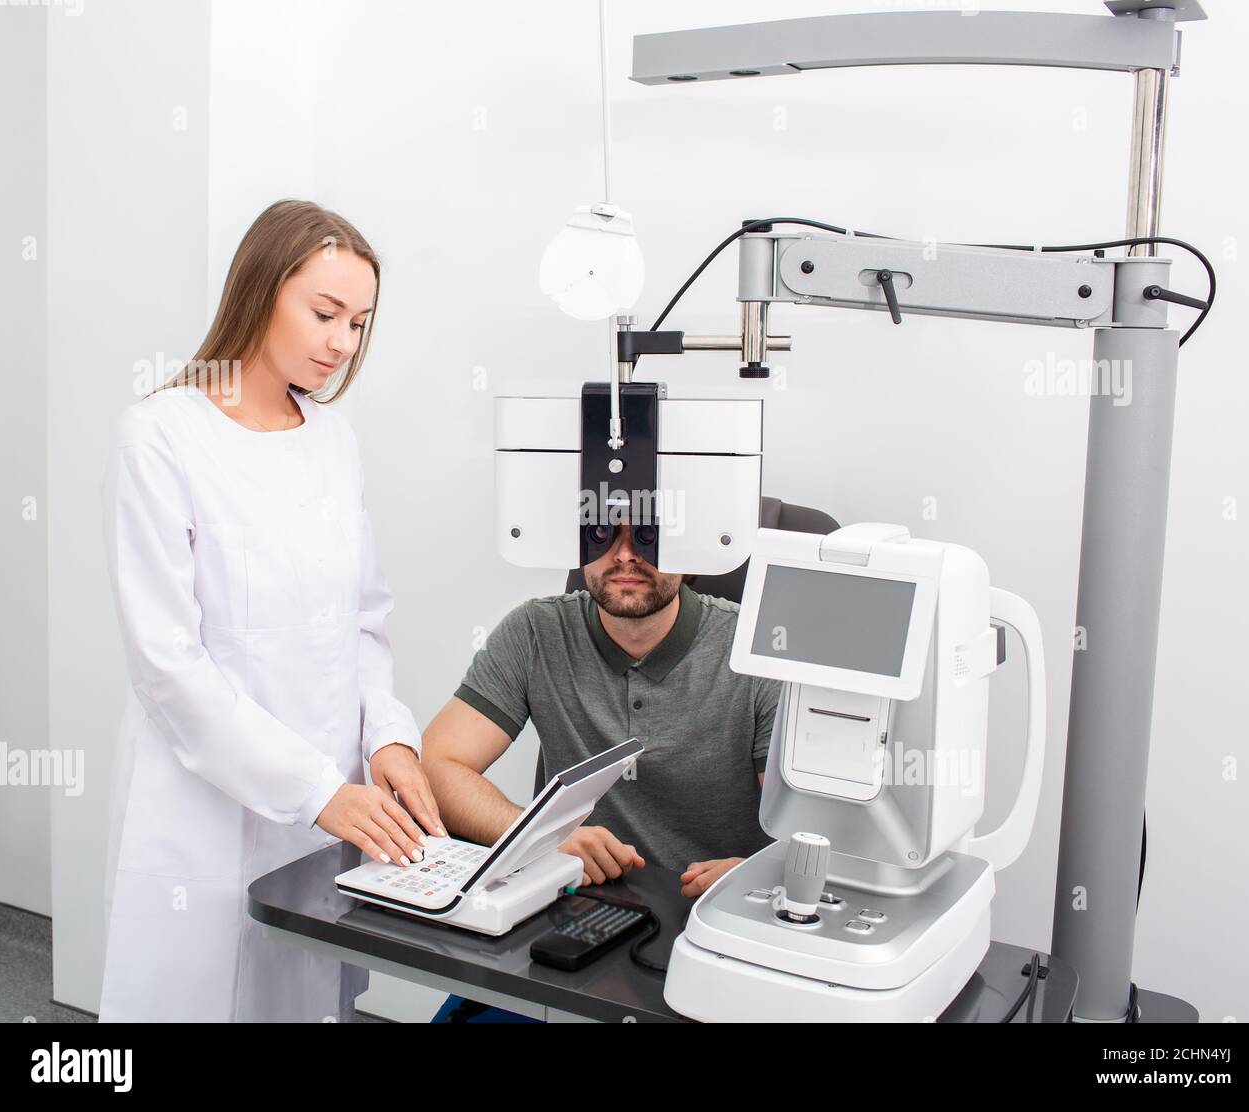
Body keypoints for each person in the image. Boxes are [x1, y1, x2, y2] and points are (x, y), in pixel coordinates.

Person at [99, 199, 443, 1022]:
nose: (342, 344)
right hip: (204, 805)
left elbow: (363, 619)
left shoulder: (331, 437)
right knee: (196, 998)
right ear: (259, 292)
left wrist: (387, 736)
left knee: (297, 999)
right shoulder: (159, 436)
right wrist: (315, 787)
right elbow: (168, 666)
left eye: (359, 323)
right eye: (324, 314)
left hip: (323, 807)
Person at [420, 521, 779, 1022]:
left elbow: (820, 830)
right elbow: (438, 766)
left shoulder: (756, 651)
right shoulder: (535, 631)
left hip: (708, 934)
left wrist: (764, 876)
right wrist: (540, 836)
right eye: (601, 533)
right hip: (568, 919)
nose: (625, 555)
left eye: (649, 536)